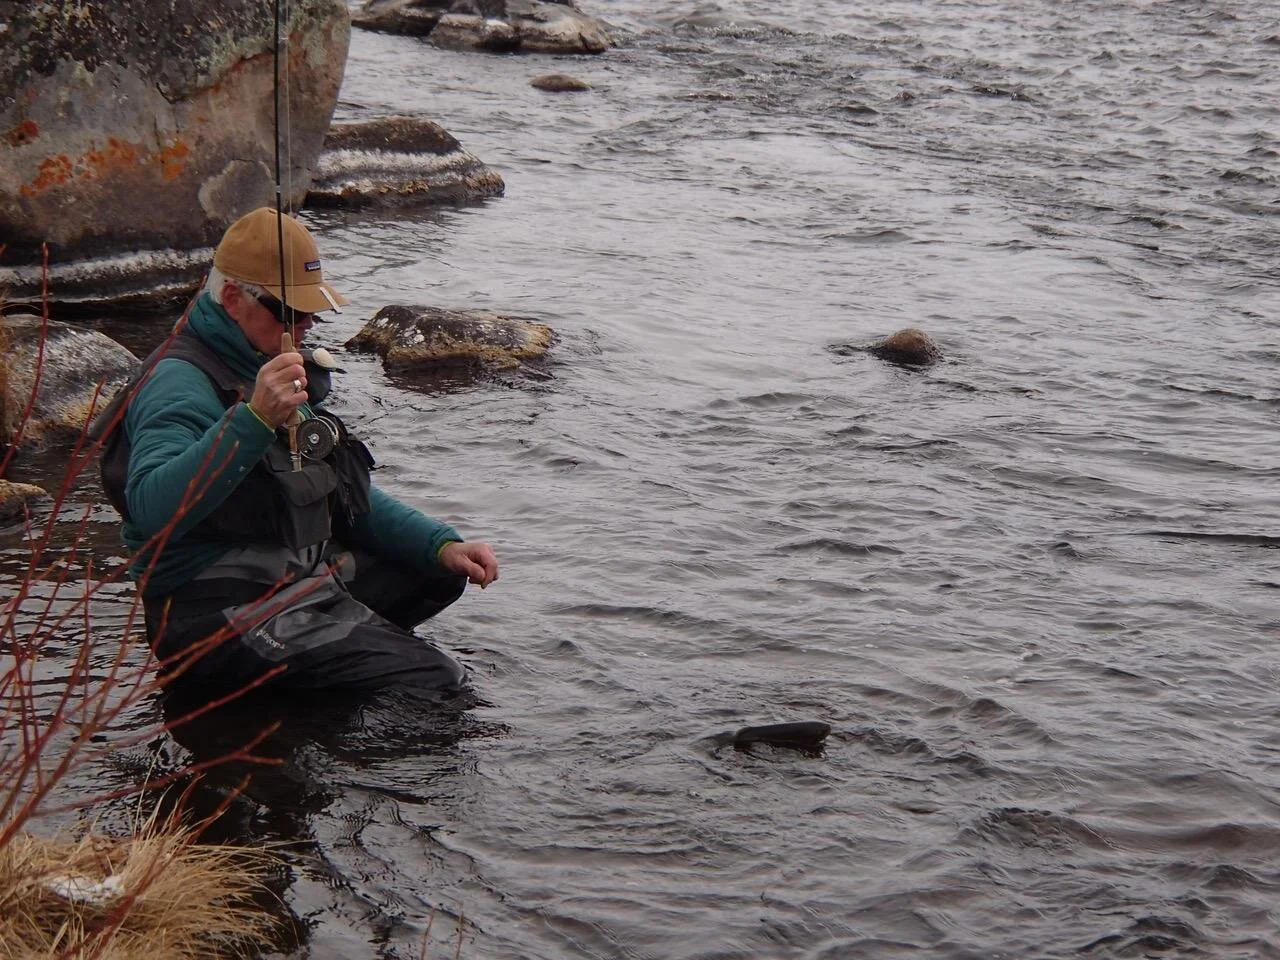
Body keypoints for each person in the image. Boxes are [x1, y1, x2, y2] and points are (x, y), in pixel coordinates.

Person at [98, 207, 498, 697]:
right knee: (435, 680)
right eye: (291, 312)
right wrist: (254, 421)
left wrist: (441, 544)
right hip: (210, 611)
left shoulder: (259, 360)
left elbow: (340, 494)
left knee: (434, 571)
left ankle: (326, 676)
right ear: (231, 298)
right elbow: (151, 507)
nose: (307, 324)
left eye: (312, 311)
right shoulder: (178, 385)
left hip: (287, 576)